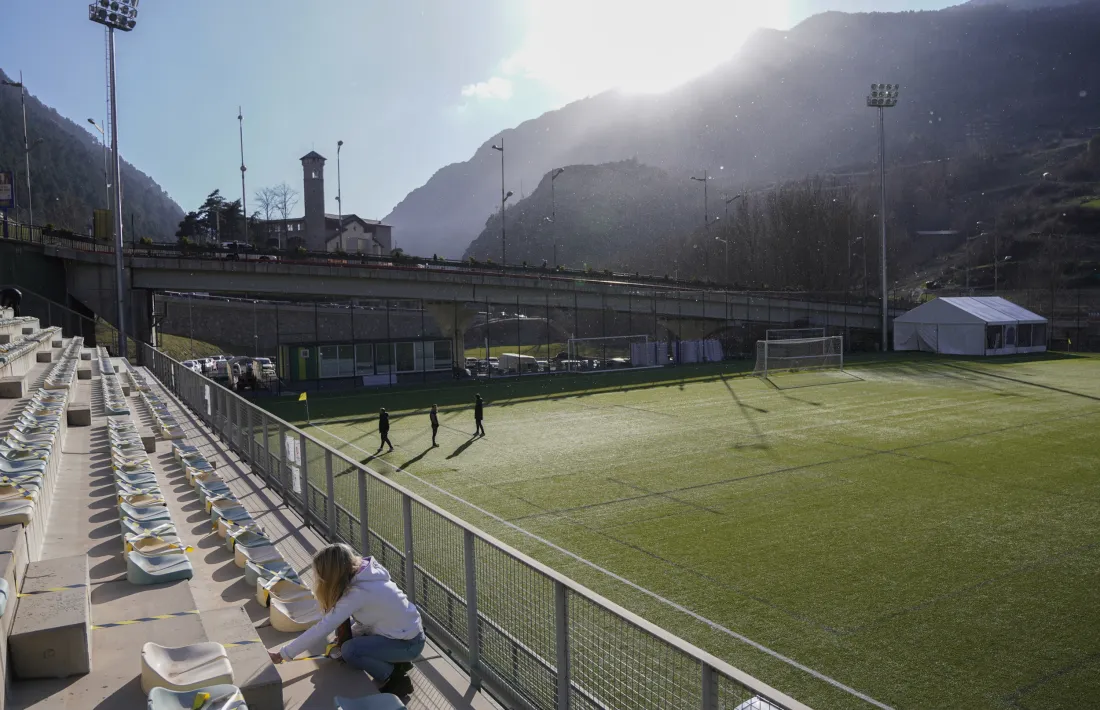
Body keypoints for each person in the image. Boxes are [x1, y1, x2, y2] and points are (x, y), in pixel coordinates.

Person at [268, 544, 424, 696]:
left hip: (408, 644)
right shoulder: (367, 571)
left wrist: (283, 654)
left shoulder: (357, 594)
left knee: (350, 650)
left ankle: (395, 677)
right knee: (346, 629)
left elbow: (323, 627)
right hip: (404, 632)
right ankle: (397, 660)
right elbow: (370, 616)